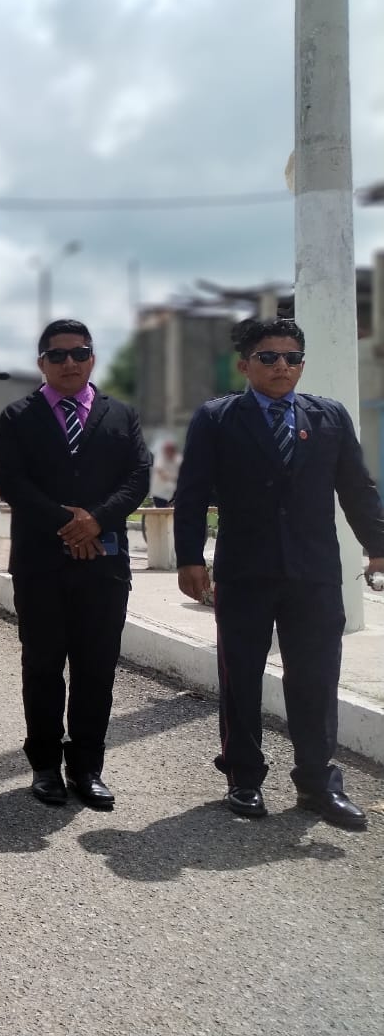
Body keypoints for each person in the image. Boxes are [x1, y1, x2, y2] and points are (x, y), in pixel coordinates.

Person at [174, 317, 384, 830]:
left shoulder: (328, 416)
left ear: (302, 365)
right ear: (245, 365)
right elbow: (193, 491)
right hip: (245, 570)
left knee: (315, 678)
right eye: (268, 357)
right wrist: (189, 558)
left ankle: (317, 782)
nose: (282, 366)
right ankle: (243, 777)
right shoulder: (218, 418)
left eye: (292, 358)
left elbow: (356, 488)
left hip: (313, 572)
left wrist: (378, 548)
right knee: (241, 677)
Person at [0, 319, 150, 810]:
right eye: (58, 355)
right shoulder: (18, 416)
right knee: (42, 666)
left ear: (92, 358)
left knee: (96, 668)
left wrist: (96, 520)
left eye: (79, 353)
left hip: (105, 564)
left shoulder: (120, 415)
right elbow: (13, 483)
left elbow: (139, 476)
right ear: (41, 362)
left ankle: (87, 767)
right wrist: (69, 523)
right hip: (40, 564)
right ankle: (45, 766)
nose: (69, 363)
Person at [150, 439, 181, 506]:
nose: (169, 452)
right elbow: (161, 472)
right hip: (160, 490)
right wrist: (174, 477)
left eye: (171, 450)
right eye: (167, 450)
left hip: (174, 489)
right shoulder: (160, 458)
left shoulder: (178, 459)